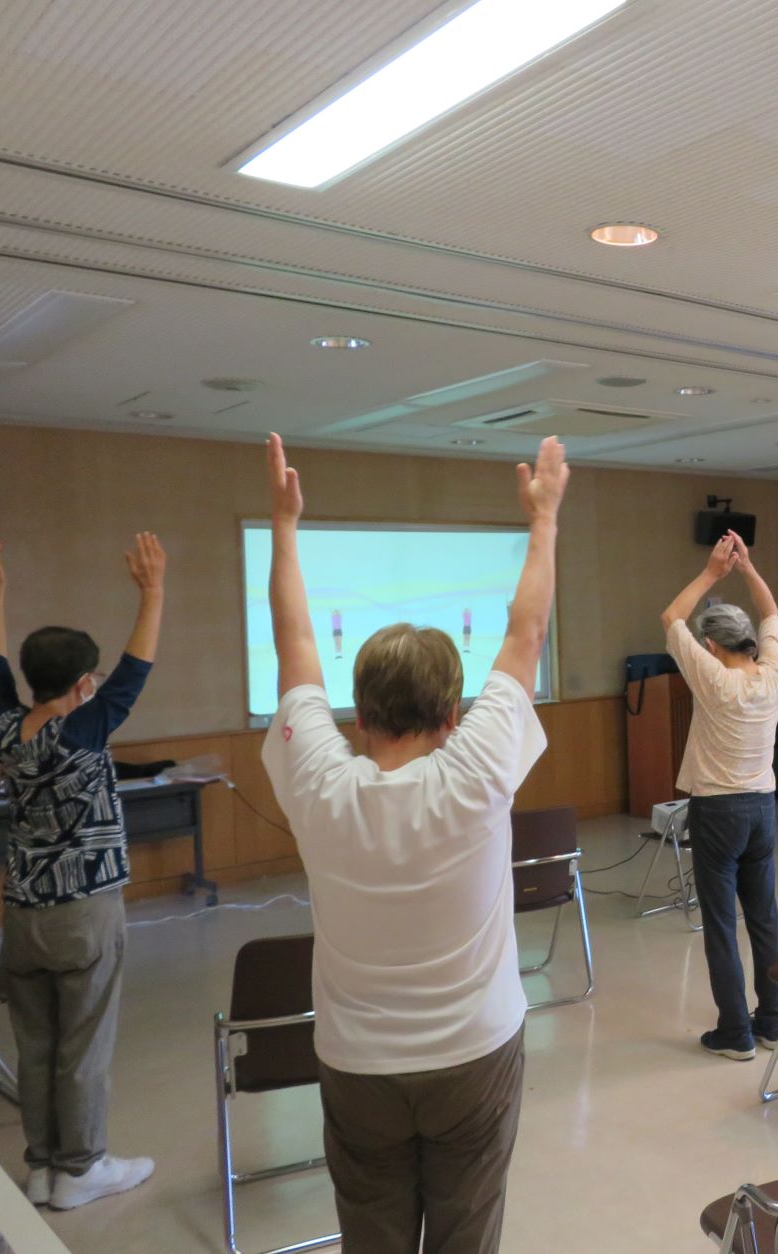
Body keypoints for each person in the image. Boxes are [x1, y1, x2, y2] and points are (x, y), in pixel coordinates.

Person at [259, 433, 564, 1253]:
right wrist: (544, 518)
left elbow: (294, 647)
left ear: (359, 716)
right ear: (453, 716)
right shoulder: (476, 772)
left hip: (356, 1064)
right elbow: (527, 633)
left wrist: (284, 526)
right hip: (475, 1054)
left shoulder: (318, 782)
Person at [0, 533, 165, 1210]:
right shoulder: (83, 731)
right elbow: (137, 667)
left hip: (19, 914)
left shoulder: (5, 730)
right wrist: (153, 591)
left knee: (35, 1047)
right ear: (85, 685)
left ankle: (42, 1166)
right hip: (84, 914)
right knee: (82, 1046)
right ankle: (81, 1170)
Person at [660, 531, 778, 1061]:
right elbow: (771, 611)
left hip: (717, 810)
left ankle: (735, 1033)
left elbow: (671, 617)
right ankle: (772, 1021)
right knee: (764, 918)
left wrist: (713, 572)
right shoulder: (774, 675)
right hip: (762, 808)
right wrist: (749, 568)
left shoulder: (712, 677)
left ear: (712, 646)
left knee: (720, 925)